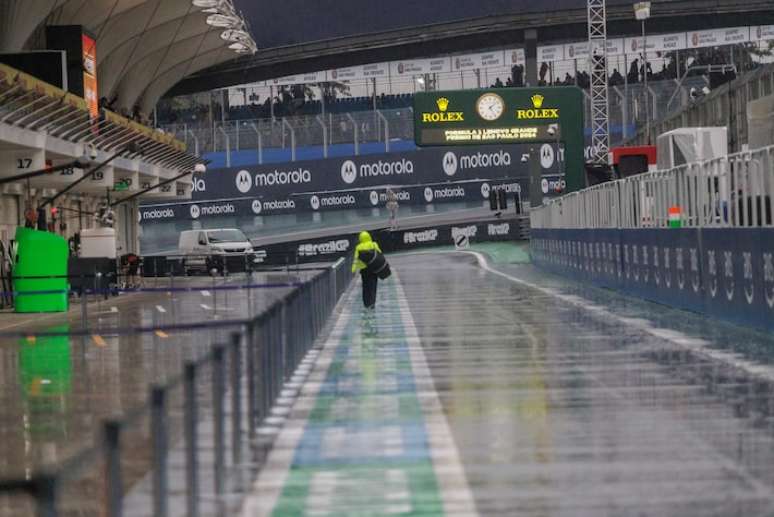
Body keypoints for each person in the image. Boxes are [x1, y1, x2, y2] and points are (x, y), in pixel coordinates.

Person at [352, 231, 387, 310]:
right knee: (373, 286)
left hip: (364, 270)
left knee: (365, 287)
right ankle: (372, 303)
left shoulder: (358, 247)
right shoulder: (374, 244)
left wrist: (353, 269)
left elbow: (356, 259)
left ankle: (366, 303)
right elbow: (380, 254)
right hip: (374, 269)